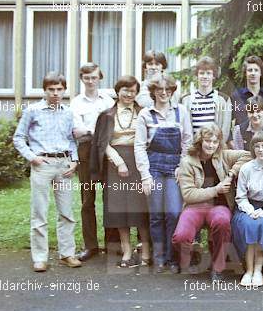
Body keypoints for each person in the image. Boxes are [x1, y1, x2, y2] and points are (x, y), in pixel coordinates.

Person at [13, 72, 81, 272]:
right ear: (44, 90)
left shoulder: (68, 112)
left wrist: (74, 160)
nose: (55, 93)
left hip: (64, 165)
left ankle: (67, 254)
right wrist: (32, 156)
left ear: (64, 91)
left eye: (59, 89)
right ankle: (40, 257)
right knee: (40, 211)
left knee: (67, 212)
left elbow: (71, 139)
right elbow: (18, 138)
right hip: (42, 164)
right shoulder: (33, 111)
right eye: (51, 89)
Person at [174, 124, 250, 282]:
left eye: (215, 142)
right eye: (208, 141)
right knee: (181, 236)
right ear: (200, 141)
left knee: (222, 222)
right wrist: (216, 189)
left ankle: (218, 267)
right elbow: (188, 194)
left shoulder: (223, 155)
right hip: (195, 206)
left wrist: (231, 174)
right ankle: (193, 254)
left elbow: (248, 155)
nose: (211, 145)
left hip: (219, 206)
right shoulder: (187, 162)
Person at [90, 75, 150, 268]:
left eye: (132, 91)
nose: (129, 94)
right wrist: (118, 162)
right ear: (118, 91)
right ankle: (126, 250)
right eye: (125, 90)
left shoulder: (144, 112)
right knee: (119, 209)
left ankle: (146, 252)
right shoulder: (107, 115)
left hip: (139, 161)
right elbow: (102, 143)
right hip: (115, 164)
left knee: (140, 208)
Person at [135, 74, 192, 273]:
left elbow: (187, 142)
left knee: (174, 213)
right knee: (156, 215)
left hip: (175, 167)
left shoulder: (181, 112)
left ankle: (173, 257)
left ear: (172, 91)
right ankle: (159, 258)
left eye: (168, 90)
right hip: (154, 168)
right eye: (160, 89)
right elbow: (140, 147)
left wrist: (182, 167)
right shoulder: (145, 114)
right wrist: (145, 175)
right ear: (153, 92)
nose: (164, 93)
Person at [70, 62, 115, 261]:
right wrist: (95, 132)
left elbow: (112, 128)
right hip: (87, 151)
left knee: (110, 197)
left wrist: (92, 132)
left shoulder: (108, 101)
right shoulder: (76, 102)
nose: (90, 81)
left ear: (100, 78)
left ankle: (112, 244)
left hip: (106, 151)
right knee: (87, 199)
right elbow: (77, 131)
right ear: (82, 79)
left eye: (94, 77)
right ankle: (91, 246)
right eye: (86, 78)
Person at [232, 132, 263, 287]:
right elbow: (241, 196)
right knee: (249, 225)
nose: (261, 149)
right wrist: (250, 210)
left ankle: (258, 270)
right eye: (257, 146)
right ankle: (248, 270)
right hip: (247, 207)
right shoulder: (246, 168)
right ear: (252, 149)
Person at [181, 56, 233, 141]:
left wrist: (217, 148)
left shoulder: (224, 100)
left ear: (213, 76)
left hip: (215, 148)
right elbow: (184, 130)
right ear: (197, 75)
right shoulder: (185, 100)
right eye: (201, 73)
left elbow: (225, 129)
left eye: (208, 73)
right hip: (193, 149)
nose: (205, 76)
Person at [232, 55, 263, 127]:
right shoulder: (237, 96)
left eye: (256, 70)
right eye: (250, 70)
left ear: (261, 73)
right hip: (244, 137)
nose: (253, 73)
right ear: (245, 73)